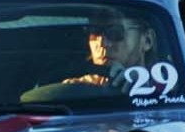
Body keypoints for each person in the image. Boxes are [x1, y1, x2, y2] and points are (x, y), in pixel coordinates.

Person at [21, 9, 159, 101]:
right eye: (95, 32)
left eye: (115, 33)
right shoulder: (77, 86)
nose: (103, 43)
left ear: (147, 40)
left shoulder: (167, 88)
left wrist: (144, 89)